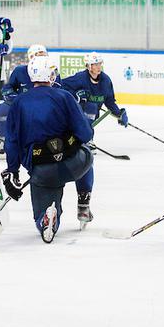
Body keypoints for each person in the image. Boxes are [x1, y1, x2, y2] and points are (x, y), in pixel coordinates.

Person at [1, 55, 94, 244]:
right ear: (49, 75)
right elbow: (85, 134)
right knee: (87, 153)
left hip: (41, 170)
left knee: (42, 214)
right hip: (71, 163)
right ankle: (83, 201)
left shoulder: (18, 103)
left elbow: (11, 142)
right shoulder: (65, 96)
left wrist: (13, 171)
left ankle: (47, 216)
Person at [58, 51, 129, 225]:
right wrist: (76, 97)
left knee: (91, 109)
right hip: (77, 116)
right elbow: (60, 87)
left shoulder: (105, 80)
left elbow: (109, 101)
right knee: (89, 107)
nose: (98, 67)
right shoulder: (79, 79)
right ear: (88, 66)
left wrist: (119, 114)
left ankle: (87, 139)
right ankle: (86, 139)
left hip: (90, 117)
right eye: (95, 64)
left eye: (99, 64)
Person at [0, 44, 49, 133]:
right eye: (39, 55)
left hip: (45, 107)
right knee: (2, 109)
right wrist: (17, 100)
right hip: (24, 109)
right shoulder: (20, 71)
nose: (43, 59)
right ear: (31, 57)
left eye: (44, 55)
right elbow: (7, 89)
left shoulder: (52, 71)